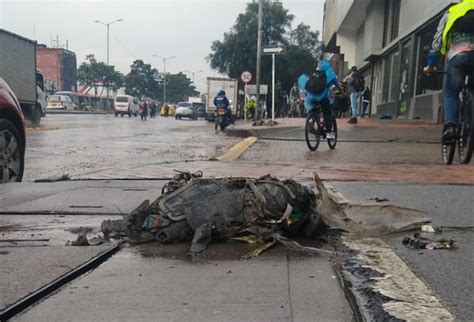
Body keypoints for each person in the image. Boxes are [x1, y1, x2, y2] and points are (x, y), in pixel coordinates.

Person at [424, 0, 474, 142]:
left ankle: (450, 127)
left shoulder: (452, 11)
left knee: (451, 93)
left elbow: (437, 43)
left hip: (458, 56)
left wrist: (430, 66)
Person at [298, 59, 346, 137]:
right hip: (322, 98)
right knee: (327, 113)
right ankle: (328, 133)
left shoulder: (316, 73)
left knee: (313, 110)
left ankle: (311, 120)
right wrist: (343, 94)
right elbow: (338, 86)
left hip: (311, 97)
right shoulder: (330, 74)